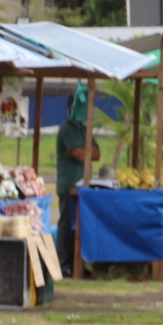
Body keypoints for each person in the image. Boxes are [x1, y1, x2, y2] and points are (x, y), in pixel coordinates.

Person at [54, 85, 98, 275]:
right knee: (66, 225)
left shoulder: (84, 129)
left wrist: (82, 152)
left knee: (80, 227)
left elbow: (96, 154)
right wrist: (81, 152)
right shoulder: (66, 129)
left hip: (83, 186)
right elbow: (80, 155)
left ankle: (79, 264)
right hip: (68, 185)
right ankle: (64, 264)